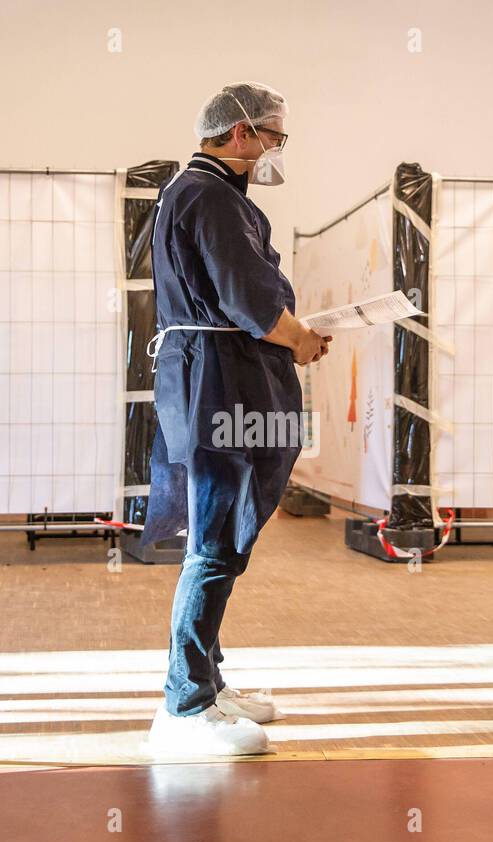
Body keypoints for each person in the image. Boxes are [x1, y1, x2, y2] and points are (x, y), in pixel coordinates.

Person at [144, 82, 331, 756]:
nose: (279, 150)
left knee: (215, 535)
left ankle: (207, 682)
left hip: (215, 373)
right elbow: (247, 298)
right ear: (243, 132)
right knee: (216, 539)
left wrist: (289, 334)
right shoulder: (212, 196)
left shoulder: (201, 192)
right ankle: (184, 706)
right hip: (218, 379)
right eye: (276, 136)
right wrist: (299, 337)